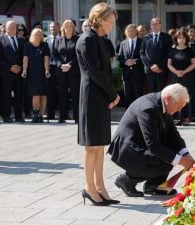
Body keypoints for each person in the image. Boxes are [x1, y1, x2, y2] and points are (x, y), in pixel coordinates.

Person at [108, 83, 195, 197]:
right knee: (167, 159)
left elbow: (172, 134)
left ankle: (153, 186)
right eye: (179, 106)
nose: (179, 110)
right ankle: (127, 179)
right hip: (127, 149)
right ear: (168, 99)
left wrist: (186, 155)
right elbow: (153, 146)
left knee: (170, 156)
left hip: (140, 143)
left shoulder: (163, 103)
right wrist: (182, 161)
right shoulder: (148, 108)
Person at [76, 2, 120, 206]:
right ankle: (89, 188)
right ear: (99, 19)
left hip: (101, 95)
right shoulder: (87, 40)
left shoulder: (99, 39)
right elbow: (95, 72)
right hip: (92, 95)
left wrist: (111, 94)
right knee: (91, 145)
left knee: (100, 144)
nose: (112, 25)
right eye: (110, 21)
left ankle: (100, 187)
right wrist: (113, 94)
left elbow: (106, 71)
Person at [167, 29, 195, 126]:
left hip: (187, 77)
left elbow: (194, 64)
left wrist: (184, 71)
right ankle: (178, 118)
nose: (181, 40)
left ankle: (187, 118)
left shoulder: (190, 50)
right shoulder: (172, 50)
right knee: (176, 97)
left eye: (183, 38)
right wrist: (176, 72)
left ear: (186, 39)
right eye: (179, 38)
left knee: (187, 97)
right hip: (176, 77)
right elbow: (169, 64)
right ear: (176, 39)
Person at [21, 28, 50, 123]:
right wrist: (24, 71)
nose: (38, 36)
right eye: (36, 34)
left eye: (40, 34)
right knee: (35, 94)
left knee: (43, 94)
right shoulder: (27, 45)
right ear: (32, 35)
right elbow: (25, 59)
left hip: (42, 73)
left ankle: (41, 115)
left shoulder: (44, 45)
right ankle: (35, 113)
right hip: (32, 73)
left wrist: (46, 70)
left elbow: (46, 59)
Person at [54, 19, 80, 123]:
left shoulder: (77, 39)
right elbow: (55, 55)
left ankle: (77, 117)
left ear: (73, 28)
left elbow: (79, 55)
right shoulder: (59, 39)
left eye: (71, 26)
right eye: (67, 26)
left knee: (75, 94)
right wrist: (61, 65)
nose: (69, 28)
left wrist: (69, 64)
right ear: (63, 28)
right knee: (62, 94)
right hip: (61, 71)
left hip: (73, 70)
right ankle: (62, 117)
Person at [0, 20, 26, 123]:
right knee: (6, 95)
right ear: (6, 28)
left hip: (18, 73)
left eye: (15, 27)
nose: (13, 29)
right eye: (11, 27)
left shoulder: (21, 40)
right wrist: (10, 67)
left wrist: (20, 67)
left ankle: (18, 116)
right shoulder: (1, 39)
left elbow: (24, 56)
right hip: (6, 73)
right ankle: (6, 116)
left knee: (19, 95)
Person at [140, 17, 172, 93]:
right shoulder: (146, 37)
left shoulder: (166, 37)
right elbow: (142, 53)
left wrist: (159, 66)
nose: (154, 26)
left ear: (160, 25)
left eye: (156, 24)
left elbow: (169, 54)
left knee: (161, 93)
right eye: (152, 24)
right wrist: (151, 66)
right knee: (150, 92)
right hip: (150, 71)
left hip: (162, 70)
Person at [118, 24, 145, 107]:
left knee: (138, 96)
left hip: (138, 74)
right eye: (128, 31)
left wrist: (134, 62)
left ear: (136, 32)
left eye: (132, 31)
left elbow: (144, 56)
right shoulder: (123, 43)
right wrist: (125, 61)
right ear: (126, 33)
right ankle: (129, 116)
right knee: (127, 97)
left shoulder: (142, 42)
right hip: (127, 75)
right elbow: (120, 57)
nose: (130, 33)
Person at [44, 21, 60, 121]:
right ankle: (50, 114)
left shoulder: (61, 39)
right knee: (50, 92)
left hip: (59, 68)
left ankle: (63, 114)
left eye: (54, 27)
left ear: (58, 28)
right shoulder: (46, 39)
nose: (52, 29)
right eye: (51, 27)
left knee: (61, 91)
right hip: (49, 68)